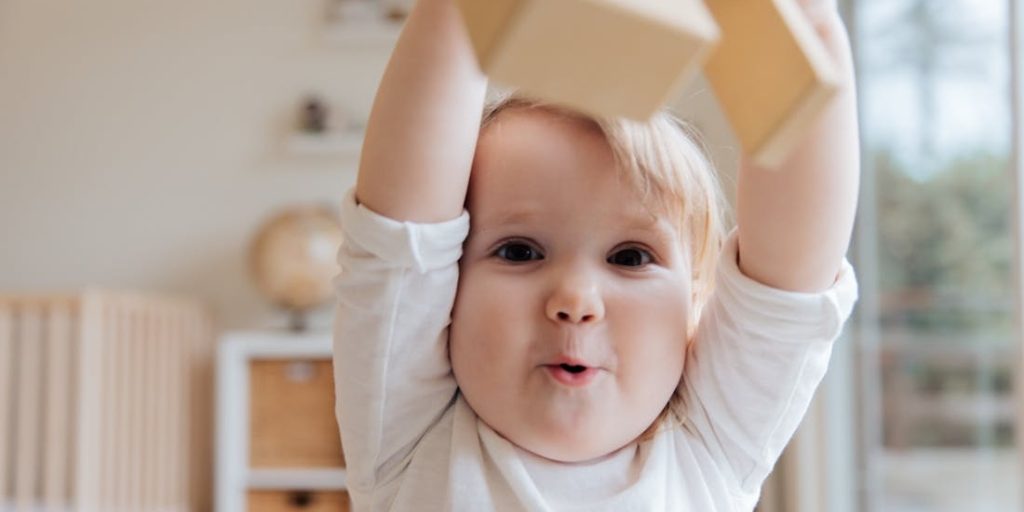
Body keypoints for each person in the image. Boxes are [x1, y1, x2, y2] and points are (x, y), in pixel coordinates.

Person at [331, 0, 860, 509]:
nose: (576, 299)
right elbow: (402, 238)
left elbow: (788, 285)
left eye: (630, 258)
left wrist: (807, 26)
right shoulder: (409, 435)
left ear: (694, 305)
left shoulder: (709, 447)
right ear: (446, 295)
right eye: (519, 251)